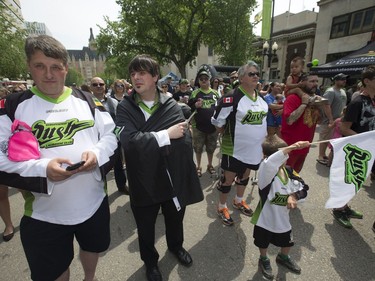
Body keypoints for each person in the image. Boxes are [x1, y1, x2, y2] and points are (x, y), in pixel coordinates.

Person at [0, 35, 117, 281]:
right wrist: (43, 168)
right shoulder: (12, 105)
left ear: (66, 68)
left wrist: (96, 154)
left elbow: (111, 135)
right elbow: (1, 157)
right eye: (40, 66)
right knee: (54, 272)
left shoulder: (87, 99)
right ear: (29, 66)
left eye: (55, 67)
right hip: (44, 214)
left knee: (92, 248)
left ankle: (90, 277)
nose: (49, 74)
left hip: (93, 203)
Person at [116, 54, 203, 281]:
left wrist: (181, 138)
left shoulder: (170, 103)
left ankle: (176, 247)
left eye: (142, 73)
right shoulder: (124, 108)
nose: (136, 77)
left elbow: (182, 140)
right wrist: (166, 134)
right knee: (145, 227)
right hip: (143, 179)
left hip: (171, 177)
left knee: (176, 218)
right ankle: (151, 262)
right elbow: (130, 142)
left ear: (155, 76)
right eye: (133, 73)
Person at [211, 60, 268, 226]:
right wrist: (226, 135)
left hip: (254, 150)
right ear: (242, 77)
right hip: (233, 149)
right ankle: (221, 206)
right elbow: (217, 122)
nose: (256, 76)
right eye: (251, 74)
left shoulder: (261, 99)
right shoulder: (230, 98)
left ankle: (238, 200)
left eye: (257, 74)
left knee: (244, 177)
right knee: (227, 180)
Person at [251, 135, 310, 279]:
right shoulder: (265, 174)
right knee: (262, 242)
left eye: (286, 155)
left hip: (283, 217)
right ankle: (263, 259)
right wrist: (292, 146)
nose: (285, 158)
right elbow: (269, 163)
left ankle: (283, 257)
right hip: (264, 218)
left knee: (287, 241)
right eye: (283, 155)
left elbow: (304, 187)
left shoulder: (289, 171)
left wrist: (294, 196)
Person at [332, 65, 375, 229]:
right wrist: (365, 138)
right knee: (348, 180)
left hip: (369, 149)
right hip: (355, 149)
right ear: (367, 81)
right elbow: (344, 128)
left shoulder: (373, 100)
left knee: (356, 181)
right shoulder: (357, 102)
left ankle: (345, 207)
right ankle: (338, 209)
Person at [90, 77, 128, 194]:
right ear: (90, 87)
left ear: (105, 86)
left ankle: (121, 186)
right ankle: (97, 191)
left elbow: (120, 119)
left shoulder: (113, 102)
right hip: (94, 141)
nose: (98, 86)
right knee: (98, 166)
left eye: (101, 84)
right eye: (95, 84)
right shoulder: (85, 103)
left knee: (118, 164)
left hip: (113, 139)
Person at [281, 72, 322, 173]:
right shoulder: (293, 98)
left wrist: (320, 106)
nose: (315, 84)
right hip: (291, 147)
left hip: (305, 146)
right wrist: (303, 104)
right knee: (284, 177)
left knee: (295, 175)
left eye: (316, 81)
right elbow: (289, 120)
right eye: (312, 81)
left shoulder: (315, 100)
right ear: (302, 83)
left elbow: (318, 121)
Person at [188, 70, 220, 177]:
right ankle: (198, 166)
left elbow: (220, 108)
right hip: (198, 127)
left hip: (213, 127)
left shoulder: (215, 93)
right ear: (199, 81)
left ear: (209, 80)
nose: (204, 81)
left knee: (211, 148)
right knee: (198, 148)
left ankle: (210, 165)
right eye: (201, 79)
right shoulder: (195, 93)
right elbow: (189, 108)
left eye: (206, 79)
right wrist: (195, 106)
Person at [317, 73, 348, 165]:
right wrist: (330, 119)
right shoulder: (330, 91)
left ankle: (326, 155)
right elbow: (326, 105)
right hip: (329, 121)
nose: (344, 81)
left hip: (338, 120)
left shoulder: (343, 91)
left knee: (332, 139)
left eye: (345, 79)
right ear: (336, 80)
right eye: (342, 79)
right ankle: (321, 155)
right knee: (325, 138)